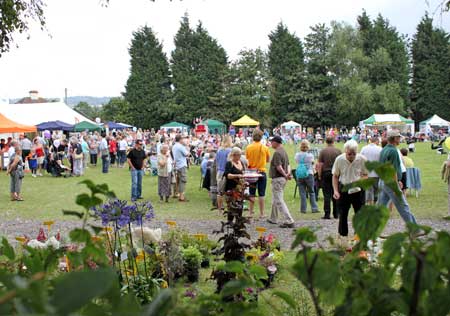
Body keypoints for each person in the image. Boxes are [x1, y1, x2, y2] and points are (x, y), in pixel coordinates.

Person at [378, 130, 417, 224]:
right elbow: (393, 170)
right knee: (403, 207)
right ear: (394, 138)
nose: (400, 139)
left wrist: (398, 180)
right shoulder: (393, 151)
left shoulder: (384, 149)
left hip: (383, 181)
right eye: (399, 137)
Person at [332, 140, 368, 237]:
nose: (351, 156)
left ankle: (359, 236)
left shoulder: (362, 159)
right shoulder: (339, 159)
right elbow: (335, 176)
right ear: (345, 151)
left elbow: (366, 174)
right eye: (349, 154)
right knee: (343, 214)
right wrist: (335, 190)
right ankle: (343, 236)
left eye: (354, 154)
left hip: (358, 189)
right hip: (344, 188)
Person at [267, 136, 295, 228]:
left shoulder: (277, 153)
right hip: (283, 179)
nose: (271, 143)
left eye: (272, 142)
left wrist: (285, 174)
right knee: (276, 198)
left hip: (278, 178)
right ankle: (273, 218)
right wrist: (287, 174)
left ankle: (289, 220)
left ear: (276, 142)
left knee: (279, 200)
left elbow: (279, 167)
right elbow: (288, 165)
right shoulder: (284, 151)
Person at [245, 130, 270, 219]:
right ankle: (262, 213)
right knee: (261, 193)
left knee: (251, 193)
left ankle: (250, 212)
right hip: (262, 171)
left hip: (252, 172)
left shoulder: (248, 147)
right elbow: (268, 160)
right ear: (261, 137)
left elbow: (247, 159)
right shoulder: (265, 148)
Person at [318, 137, 341, 219]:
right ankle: (336, 213)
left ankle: (327, 214)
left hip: (326, 173)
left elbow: (320, 164)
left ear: (326, 142)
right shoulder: (338, 151)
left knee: (326, 194)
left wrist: (319, 175)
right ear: (333, 141)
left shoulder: (323, 151)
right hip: (336, 174)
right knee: (336, 193)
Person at [295, 140, 319, 214]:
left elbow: (296, 161)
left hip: (300, 174)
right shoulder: (310, 155)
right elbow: (312, 163)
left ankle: (303, 209)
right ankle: (314, 208)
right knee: (311, 191)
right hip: (309, 174)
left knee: (302, 192)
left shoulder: (297, 155)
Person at [223, 147, 246, 222]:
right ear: (234, 155)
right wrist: (237, 176)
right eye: (238, 155)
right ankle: (230, 223)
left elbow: (243, 173)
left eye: (240, 155)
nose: (240, 157)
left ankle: (238, 223)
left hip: (240, 189)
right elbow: (227, 175)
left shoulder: (241, 162)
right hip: (231, 189)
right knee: (232, 208)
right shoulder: (229, 163)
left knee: (240, 207)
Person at [360, 137, 382, 205]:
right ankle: (376, 203)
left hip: (367, 173)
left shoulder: (364, 148)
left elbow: (360, 159)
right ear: (376, 141)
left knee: (368, 190)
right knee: (376, 190)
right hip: (377, 173)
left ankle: (369, 204)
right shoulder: (380, 149)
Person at [216, 136, 233, 211]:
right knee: (228, 191)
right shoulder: (230, 151)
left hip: (219, 172)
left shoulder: (219, 150)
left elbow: (216, 162)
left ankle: (220, 208)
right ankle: (229, 207)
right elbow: (230, 163)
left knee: (220, 192)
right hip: (226, 172)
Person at [172, 135, 189, 202]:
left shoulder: (174, 146)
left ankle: (175, 193)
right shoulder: (181, 146)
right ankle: (181, 196)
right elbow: (187, 154)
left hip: (176, 164)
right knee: (183, 180)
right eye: (183, 139)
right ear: (180, 139)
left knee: (177, 180)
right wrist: (186, 146)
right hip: (182, 164)